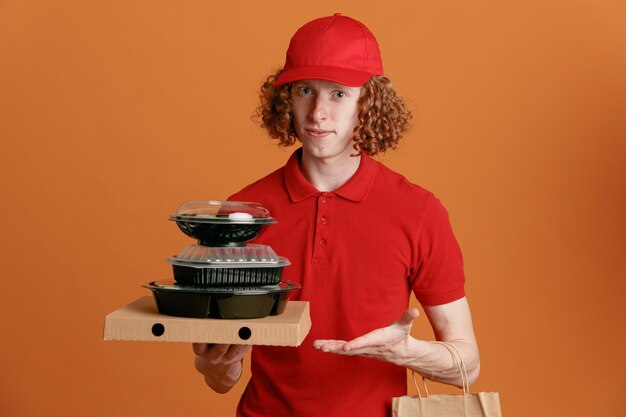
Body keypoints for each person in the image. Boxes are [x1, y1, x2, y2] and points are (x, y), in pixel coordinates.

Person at [192, 13, 480, 417]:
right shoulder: (243, 213)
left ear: (369, 102)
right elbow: (220, 380)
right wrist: (216, 363)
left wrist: (407, 352)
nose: (317, 113)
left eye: (339, 94)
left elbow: (467, 363)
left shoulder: (419, 211)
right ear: (286, 98)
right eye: (305, 90)